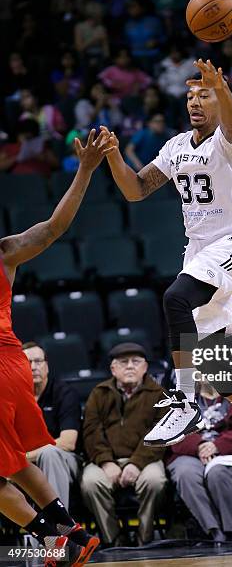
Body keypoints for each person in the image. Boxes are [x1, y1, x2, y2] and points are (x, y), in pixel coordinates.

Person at [101, 57, 232, 475]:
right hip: (198, 251)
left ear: (219, 102)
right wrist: (113, 156)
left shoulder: (229, 143)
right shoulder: (176, 146)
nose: (196, 102)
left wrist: (222, 86)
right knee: (215, 365)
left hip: (231, 244)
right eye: (190, 96)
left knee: (175, 297)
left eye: (204, 95)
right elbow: (136, 190)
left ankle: (183, 400)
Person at [0, 128, 113, 565]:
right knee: (12, 462)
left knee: (10, 463)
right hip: (12, 364)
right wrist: (84, 171)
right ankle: (67, 532)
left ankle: (57, 534)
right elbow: (54, 228)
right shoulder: (7, 250)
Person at [81, 342, 167, 546]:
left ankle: (144, 539)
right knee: (91, 483)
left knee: (154, 481)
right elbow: (91, 432)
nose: (130, 366)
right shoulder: (99, 393)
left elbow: (161, 434)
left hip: (146, 460)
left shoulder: (159, 395)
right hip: (106, 461)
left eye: (136, 362)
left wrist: (136, 463)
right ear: (113, 369)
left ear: (145, 367)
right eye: (123, 362)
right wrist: (106, 462)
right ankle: (113, 540)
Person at [167, 381, 232, 545]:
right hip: (191, 453)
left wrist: (217, 445)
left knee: (217, 473)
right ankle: (215, 532)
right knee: (186, 474)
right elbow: (173, 431)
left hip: (228, 452)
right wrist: (199, 446)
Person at [22, 342, 82, 511]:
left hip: (65, 461)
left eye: (38, 361)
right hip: (26, 464)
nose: (33, 367)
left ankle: (58, 528)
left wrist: (24, 458)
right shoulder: (12, 397)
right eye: (27, 363)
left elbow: (67, 443)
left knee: (50, 453)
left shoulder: (64, 393)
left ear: (46, 366)